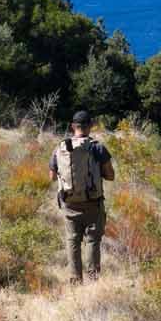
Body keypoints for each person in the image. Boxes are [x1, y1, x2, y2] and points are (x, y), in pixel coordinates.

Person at [49, 110, 115, 281]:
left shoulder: (60, 147)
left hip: (69, 202)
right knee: (92, 240)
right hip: (93, 202)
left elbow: (51, 176)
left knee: (73, 240)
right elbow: (110, 176)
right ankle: (93, 279)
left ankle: (75, 280)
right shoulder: (97, 147)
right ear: (90, 126)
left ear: (73, 126)